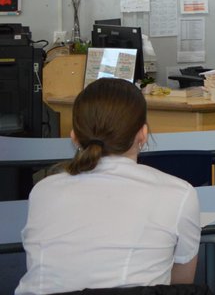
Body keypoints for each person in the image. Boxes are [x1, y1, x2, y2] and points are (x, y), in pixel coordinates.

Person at [17, 78, 200, 294]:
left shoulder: (43, 191)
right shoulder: (179, 194)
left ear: (74, 137)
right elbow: (182, 281)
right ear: (143, 133)